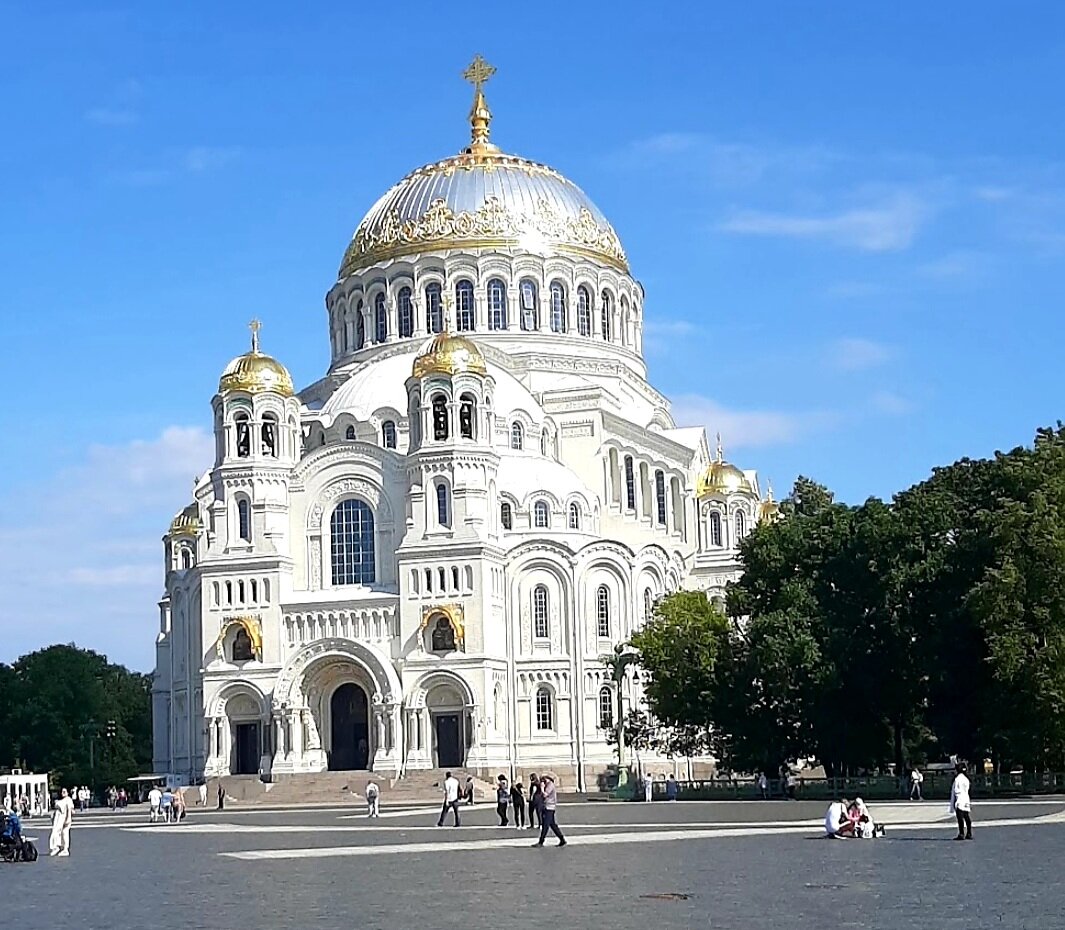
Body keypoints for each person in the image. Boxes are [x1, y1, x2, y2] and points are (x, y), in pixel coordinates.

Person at [533, 774, 566, 847]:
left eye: (543, 780)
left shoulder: (550, 785)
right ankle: (562, 839)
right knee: (552, 825)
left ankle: (541, 842)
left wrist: (542, 788)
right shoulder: (548, 785)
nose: (542, 782)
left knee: (545, 825)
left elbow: (545, 794)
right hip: (547, 807)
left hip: (549, 807)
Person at [950, 762, 972, 840]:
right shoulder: (966, 779)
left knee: (960, 818)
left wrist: (954, 802)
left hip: (959, 799)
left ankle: (961, 833)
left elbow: (956, 790)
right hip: (966, 798)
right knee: (966, 816)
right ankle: (969, 833)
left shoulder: (957, 779)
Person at [50, 788, 75, 856]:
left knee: (64, 833)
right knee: (58, 833)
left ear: (67, 792)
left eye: (64, 791)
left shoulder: (68, 800)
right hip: (59, 819)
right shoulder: (61, 800)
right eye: (62, 791)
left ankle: (65, 849)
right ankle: (58, 847)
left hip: (64, 818)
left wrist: (68, 818)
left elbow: (70, 809)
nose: (62, 793)